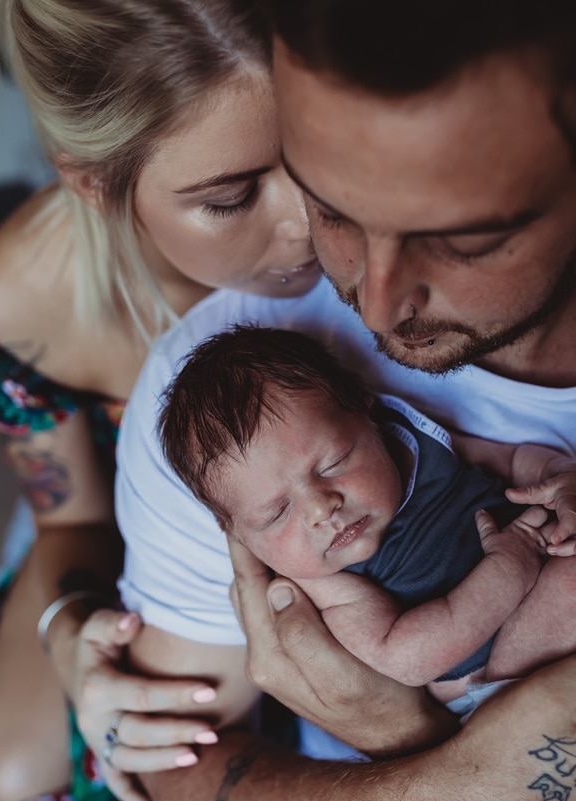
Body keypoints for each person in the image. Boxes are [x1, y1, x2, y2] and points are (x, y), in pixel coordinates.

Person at [114, 2, 576, 800]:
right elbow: (171, 762)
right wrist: (445, 778)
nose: (374, 309)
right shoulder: (237, 404)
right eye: (330, 207)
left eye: (464, 239)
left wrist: (409, 738)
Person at [0, 1, 323, 800]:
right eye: (231, 197)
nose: (305, 224)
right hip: (115, 531)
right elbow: (69, 515)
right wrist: (68, 636)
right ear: (95, 184)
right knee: (6, 776)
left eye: (311, 163)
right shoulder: (18, 304)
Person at [159, 324, 576, 714]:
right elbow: (406, 659)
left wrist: (557, 480)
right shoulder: (323, 584)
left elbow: (513, 459)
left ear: (367, 412)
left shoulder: (414, 442)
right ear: (236, 535)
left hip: (546, 562)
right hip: (489, 682)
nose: (322, 509)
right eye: (277, 512)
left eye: (334, 463)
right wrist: (508, 570)